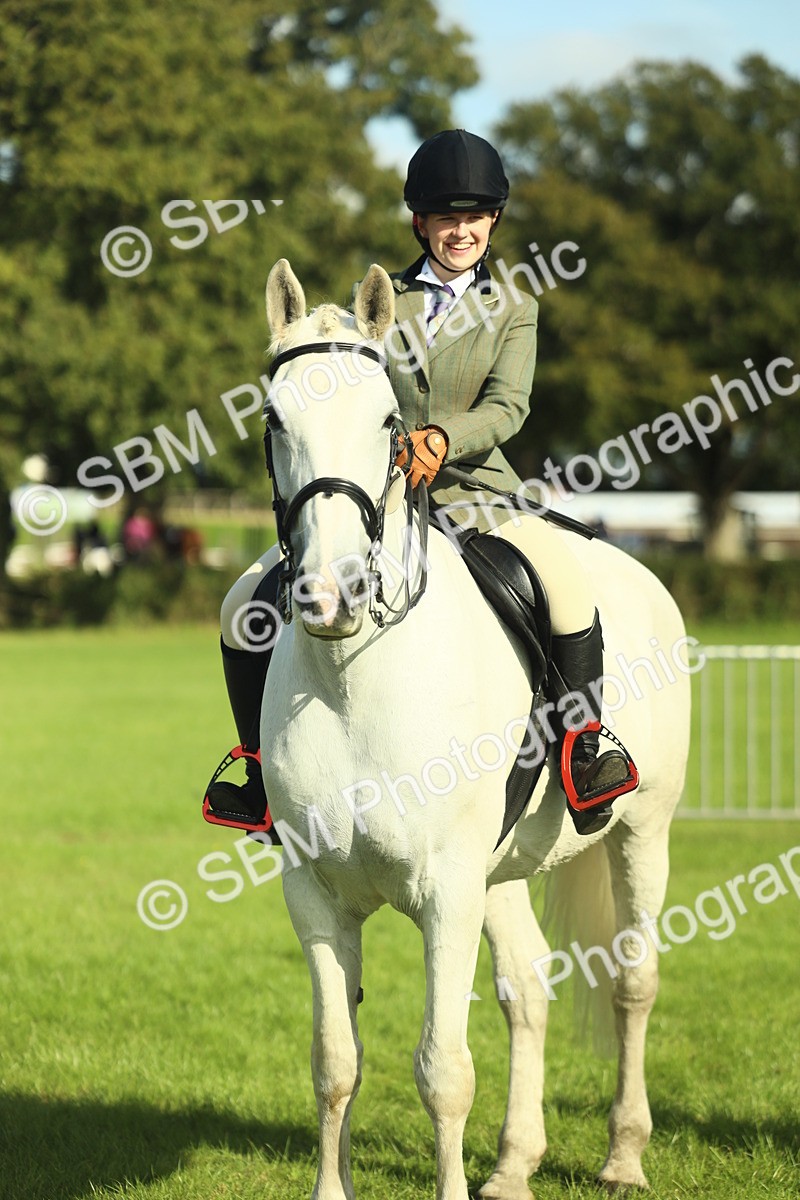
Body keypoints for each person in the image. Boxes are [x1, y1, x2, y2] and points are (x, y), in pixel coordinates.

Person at [205, 129, 633, 840]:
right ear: (420, 222)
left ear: (493, 220)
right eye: (444, 217)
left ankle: (584, 745)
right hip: (384, 498)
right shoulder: (377, 301)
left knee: (564, 584)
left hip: (480, 493)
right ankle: (257, 769)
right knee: (238, 607)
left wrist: (443, 439)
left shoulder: (515, 305)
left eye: (474, 217)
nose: (459, 230)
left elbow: (509, 407)